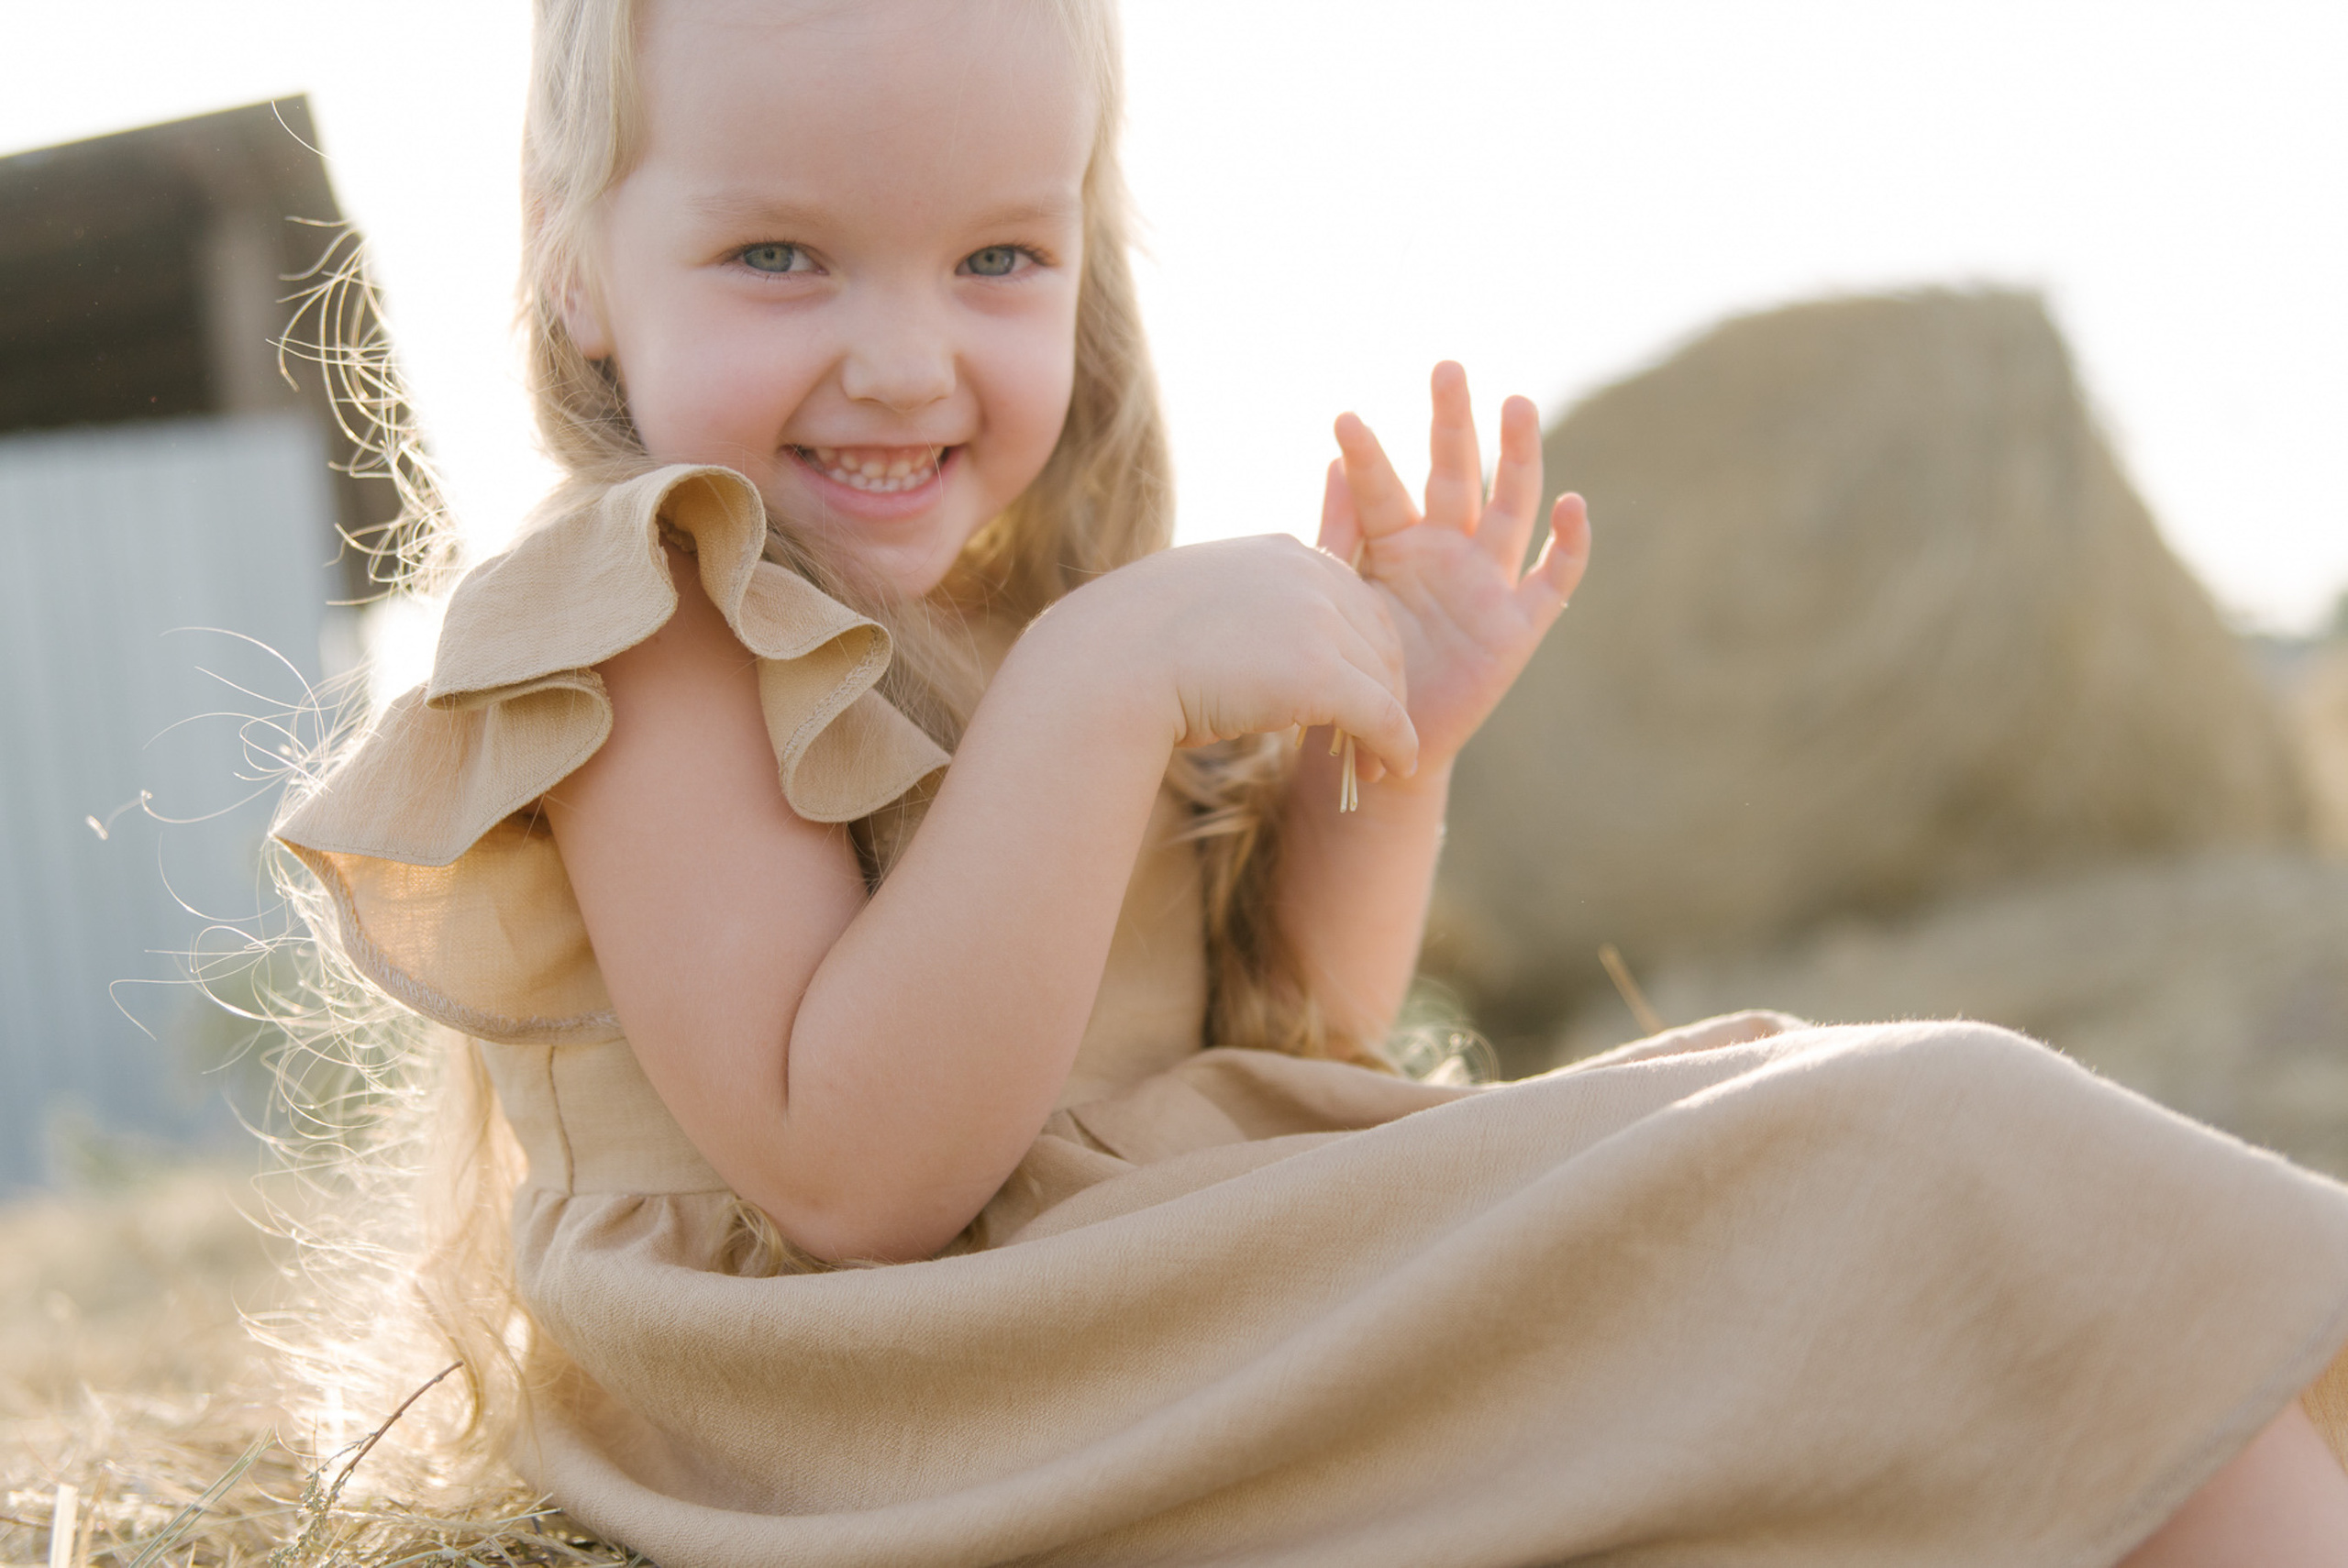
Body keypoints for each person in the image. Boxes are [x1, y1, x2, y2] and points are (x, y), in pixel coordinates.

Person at [272, 0, 2348, 1562]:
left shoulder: (1027, 620)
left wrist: (1391, 748)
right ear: (568, 264)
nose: (906, 356)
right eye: (780, 261)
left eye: (997, 260)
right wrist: (1102, 689)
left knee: (1859, 1160)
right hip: (877, 1395)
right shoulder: (646, 617)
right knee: (1919, 1144)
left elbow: (1297, 1040)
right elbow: (853, 1176)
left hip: (1113, 1310)